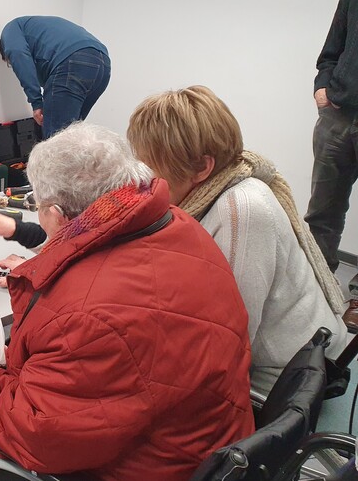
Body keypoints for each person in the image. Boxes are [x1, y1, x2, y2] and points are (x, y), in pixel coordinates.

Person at [0, 122, 254, 481]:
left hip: (151, 468)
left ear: (60, 216)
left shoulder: (85, 319)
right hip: (213, 441)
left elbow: (39, 436)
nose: (37, 212)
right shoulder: (182, 226)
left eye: (38, 204)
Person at [127, 85, 348, 396]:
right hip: (287, 355)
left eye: (153, 166)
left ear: (202, 167)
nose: (146, 180)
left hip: (287, 374)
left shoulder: (242, 210)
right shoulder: (220, 187)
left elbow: (229, 338)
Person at [304, 0, 358, 329]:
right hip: (337, 117)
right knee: (322, 212)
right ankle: (314, 291)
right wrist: (322, 86)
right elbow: (332, 48)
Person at [0, 16, 110, 139]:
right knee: (71, 136)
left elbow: (19, 57)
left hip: (73, 60)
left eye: (10, 63)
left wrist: (36, 102)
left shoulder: (10, 30)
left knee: (55, 141)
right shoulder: (37, 29)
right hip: (103, 63)